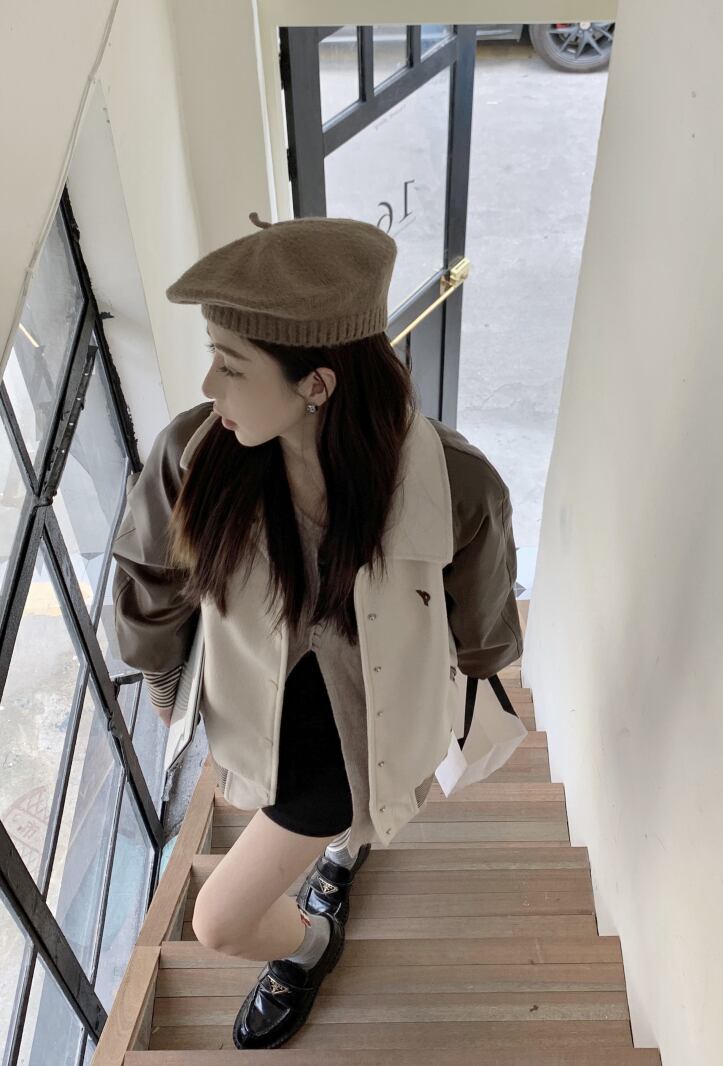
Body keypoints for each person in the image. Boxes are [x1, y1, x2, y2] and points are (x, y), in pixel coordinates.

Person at [111, 212, 523, 1051]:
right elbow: (151, 579)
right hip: (251, 700)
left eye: (231, 366)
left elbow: (483, 637)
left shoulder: (457, 485)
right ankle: (338, 856)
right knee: (311, 822)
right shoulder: (193, 453)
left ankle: (308, 944)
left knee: (220, 922)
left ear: (318, 385)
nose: (209, 387)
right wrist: (162, 681)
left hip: (364, 728)